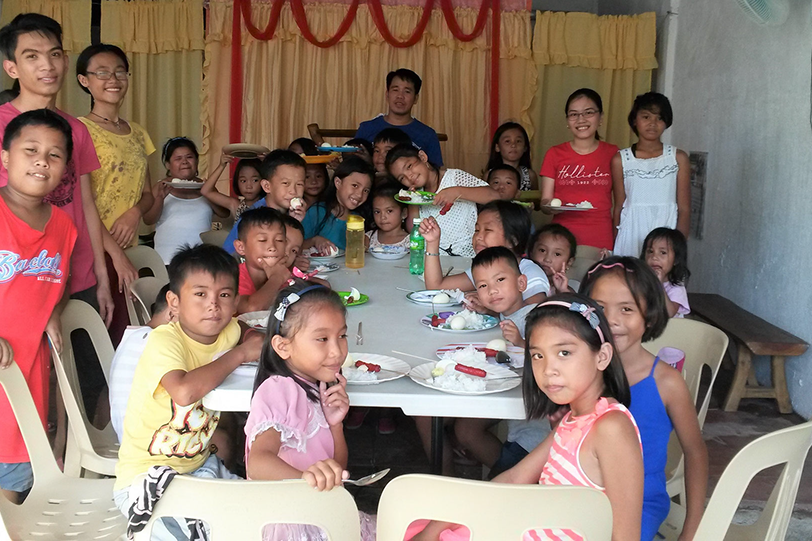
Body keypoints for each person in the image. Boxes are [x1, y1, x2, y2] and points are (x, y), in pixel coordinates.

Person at [408, 294, 644, 541]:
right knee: (428, 523)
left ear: (602, 356)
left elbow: (626, 536)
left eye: (564, 352)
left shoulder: (611, 427)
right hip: (526, 529)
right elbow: (514, 477)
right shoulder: (572, 420)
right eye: (538, 356)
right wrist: (433, 528)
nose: (548, 369)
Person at [113, 244, 263, 539]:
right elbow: (183, 392)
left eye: (224, 295)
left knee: (258, 518)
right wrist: (241, 354)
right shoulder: (164, 340)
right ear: (174, 301)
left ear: (235, 302)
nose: (213, 305)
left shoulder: (226, 331)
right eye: (200, 294)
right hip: (146, 480)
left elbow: (243, 329)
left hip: (199, 467)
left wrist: (252, 336)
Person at [0, 13, 121, 329]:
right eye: (32, 56)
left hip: (78, 276)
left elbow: (86, 205)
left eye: (54, 54)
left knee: (87, 361)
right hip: (19, 280)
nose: (47, 65)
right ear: (12, 68)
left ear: (66, 62)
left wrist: (101, 275)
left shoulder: (77, 130)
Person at [581, 257, 707, 540]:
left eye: (627, 309)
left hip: (640, 503)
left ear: (648, 316)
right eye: (599, 308)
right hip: (580, 494)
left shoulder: (666, 383)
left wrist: (692, 529)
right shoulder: (579, 372)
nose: (611, 320)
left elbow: (696, 452)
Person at [244, 283, 376, 540]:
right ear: (283, 346)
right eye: (322, 339)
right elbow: (258, 462)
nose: (337, 351)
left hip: (318, 513)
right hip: (292, 526)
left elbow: (337, 470)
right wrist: (305, 479)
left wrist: (335, 426)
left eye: (342, 336)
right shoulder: (280, 389)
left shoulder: (316, 388)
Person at [0, 109, 77, 503]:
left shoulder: (63, 226)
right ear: (5, 156)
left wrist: (54, 313)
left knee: (14, 486)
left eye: (54, 154)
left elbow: (61, 283)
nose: (42, 161)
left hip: (28, 380)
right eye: (30, 150)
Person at [75, 43, 152, 344]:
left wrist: (135, 213)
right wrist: (116, 255)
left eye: (120, 72)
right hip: (94, 251)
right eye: (102, 72)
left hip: (128, 250)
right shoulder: (79, 130)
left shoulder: (138, 132)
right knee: (98, 341)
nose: (113, 79)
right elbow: (82, 203)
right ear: (84, 80)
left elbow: (147, 194)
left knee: (126, 338)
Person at [453, 247, 548, 473]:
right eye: (483, 286)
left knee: (506, 481)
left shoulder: (537, 318)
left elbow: (548, 357)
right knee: (465, 430)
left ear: (522, 283)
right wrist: (490, 314)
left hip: (537, 433)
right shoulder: (510, 316)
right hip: (518, 417)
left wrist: (522, 343)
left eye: (500, 280)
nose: (492, 290)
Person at [420, 201, 549, 305]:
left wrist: (490, 308)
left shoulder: (530, 273)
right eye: (476, 230)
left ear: (513, 239)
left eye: (488, 230)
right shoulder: (484, 269)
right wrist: (432, 242)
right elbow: (436, 287)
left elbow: (534, 316)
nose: (478, 237)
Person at [612, 93, 691, 257]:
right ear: (635, 120)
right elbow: (619, 206)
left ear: (667, 122)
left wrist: (678, 246)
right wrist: (615, 244)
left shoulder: (678, 158)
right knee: (631, 273)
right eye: (646, 117)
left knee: (662, 273)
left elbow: (684, 209)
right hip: (631, 233)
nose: (652, 123)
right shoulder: (620, 160)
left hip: (667, 232)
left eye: (659, 118)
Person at [540, 88, 619, 250]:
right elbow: (545, 202)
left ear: (601, 118)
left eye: (588, 112)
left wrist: (619, 238)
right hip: (561, 240)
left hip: (601, 238)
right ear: (567, 121)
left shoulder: (613, 154)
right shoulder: (554, 154)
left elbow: (621, 204)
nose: (581, 119)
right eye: (574, 114)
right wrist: (550, 206)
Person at [386, 144, 499, 257]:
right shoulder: (417, 194)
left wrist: (457, 192)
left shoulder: (454, 177)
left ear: (422, 157)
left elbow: (494, 196)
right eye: (402, 178)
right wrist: (413, 203)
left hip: (468, 256)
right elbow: (414, 231)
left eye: (409, 166)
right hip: (434, 258)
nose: (409, 176)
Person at [144, 137, 228, 264]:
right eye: (178, 158)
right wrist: (160, 198)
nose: (184, 162)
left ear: (197, 161)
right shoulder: (161, 186)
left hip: (202, 259)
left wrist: (206, 193)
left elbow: (224, 213)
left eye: (189, 157)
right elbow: (148, 220)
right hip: (167, 259)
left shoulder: (206, 186)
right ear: (168, 165)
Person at [109, 283, 175, 442]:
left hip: (137, 432)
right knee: (222, 439)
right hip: (144, 441)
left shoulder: (139, 336)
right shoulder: (154, 342)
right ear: (172, 313)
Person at [222, 149, 307, 253]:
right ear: (267, 186)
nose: (293, 191)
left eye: (299, 184)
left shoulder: (289, 213)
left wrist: (294, 223)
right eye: (285, 183)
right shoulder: (257, 217)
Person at [356, 68, 443, 166]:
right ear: (387, 94)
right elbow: (352, 165)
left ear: (415, 98)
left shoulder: (428, 135)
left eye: (407, 91)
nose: (400, 96)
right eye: (395, 90)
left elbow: (435, 171)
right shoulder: (366, 128)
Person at [302, 156, 374, 252]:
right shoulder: (317, 212)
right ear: (338, 183)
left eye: (365, 190)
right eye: (355, 185)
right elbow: (295, 247)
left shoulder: (360, 218)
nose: (359, 195)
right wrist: (314, 240)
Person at [233, 207, 291, 314]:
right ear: (241, 247)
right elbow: (250, 309)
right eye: (262, 240)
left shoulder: (285, 273)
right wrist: (276, 278)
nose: (272, 247)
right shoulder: (234, 277)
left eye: (279, 240)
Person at [641, 227, 691, 318]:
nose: (654, 257)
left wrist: (659, 285)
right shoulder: (641, 282)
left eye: (663, 253)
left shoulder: (676, 288)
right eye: (650, 251)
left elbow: (669, 313)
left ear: (676, 260)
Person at [200, 150, 264, 220]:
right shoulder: (236, 205)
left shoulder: (269, 203)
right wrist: (222, 165)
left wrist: (267, 165)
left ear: (264, 181)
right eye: (243, 181)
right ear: (237, 181)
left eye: (255, 180)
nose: (249, 186)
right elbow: (205, 191)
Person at [486, 121, 538, 191]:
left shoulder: (530, 175)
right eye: (507, 141)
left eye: (518, 141)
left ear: (525, 147)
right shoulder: (489, 175)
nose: (513, 145)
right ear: (497, 147)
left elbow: (535, 196)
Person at [528, 223, 577, 295]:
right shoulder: (521, 280)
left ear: (569, 262)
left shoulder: (566, 291)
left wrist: (562, 291)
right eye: (542, 250)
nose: (547, 259)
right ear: (531, 252)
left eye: (557, 254)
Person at [366, 181, 409, 252]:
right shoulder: (369, 237)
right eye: (377, 212)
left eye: (389, 211)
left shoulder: (410, 241)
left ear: (404, 213)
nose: (383, 217)